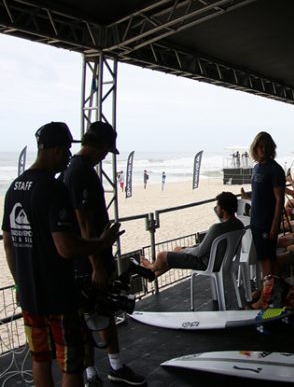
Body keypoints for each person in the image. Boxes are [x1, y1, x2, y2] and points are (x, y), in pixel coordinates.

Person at [2, 122, 123, 387]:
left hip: (30, 296)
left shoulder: (14, 188)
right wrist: (100, 243)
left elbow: (9, 244)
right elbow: (66, 247)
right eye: (67, 149)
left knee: (40, 358)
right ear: (56, 149)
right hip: (58, 295)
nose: (70, 155)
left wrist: (21, 284)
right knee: (71, 362)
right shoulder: (52, 189)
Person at [61, 121, 145, 386]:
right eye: (107, 151)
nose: (106, 156)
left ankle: (100, 371)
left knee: (96, 313)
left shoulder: (79, 169)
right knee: (98, 312)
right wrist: (96, 264)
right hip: (89, 259)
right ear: (102, 146)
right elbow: (83, 222)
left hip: (91, 254)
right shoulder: (80, 172)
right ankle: (99, 371)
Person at [140, 192, 243, 280]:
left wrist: (183, 250)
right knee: (175, 253)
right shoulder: (239, 225)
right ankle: (153, 275)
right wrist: (186, 249)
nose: (216, 208)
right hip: (224, 262)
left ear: (223, 210)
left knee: (162, 255)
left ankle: (152, 267)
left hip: (207, 263)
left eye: (218, 206)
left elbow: (199, 252)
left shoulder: (217, 228)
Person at [240, 132, 285, 280]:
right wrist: (249, 197)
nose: (263, 149)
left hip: (267, 222)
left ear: (271, 148)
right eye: (260, 146)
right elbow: (260, 192)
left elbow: (279, 200)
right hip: (256, 221)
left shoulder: (275, 170)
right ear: (255, 148)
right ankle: (274, 290)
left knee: (267, 258)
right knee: (265, 257)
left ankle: (268, 294)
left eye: (266, 146)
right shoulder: (257, 168)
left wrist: (275, 224)